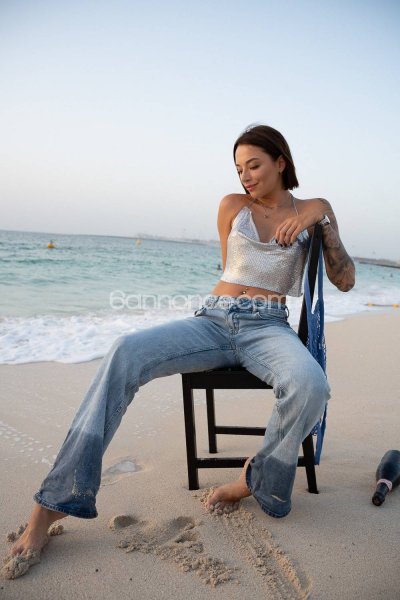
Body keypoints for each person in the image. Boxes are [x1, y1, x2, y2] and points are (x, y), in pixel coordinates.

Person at [10, 124, 355, 565]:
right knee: (124, 350)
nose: (245, 176)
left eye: (254, 165)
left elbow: (345, 280)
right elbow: (231, 267)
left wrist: (321, 217)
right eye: (239, 168)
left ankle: (253, 479)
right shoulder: (232, 206)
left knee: (312, 385)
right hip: (214, 320)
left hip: (269, 328)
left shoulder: (313, 210)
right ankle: (55, 501)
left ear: (280, 162)